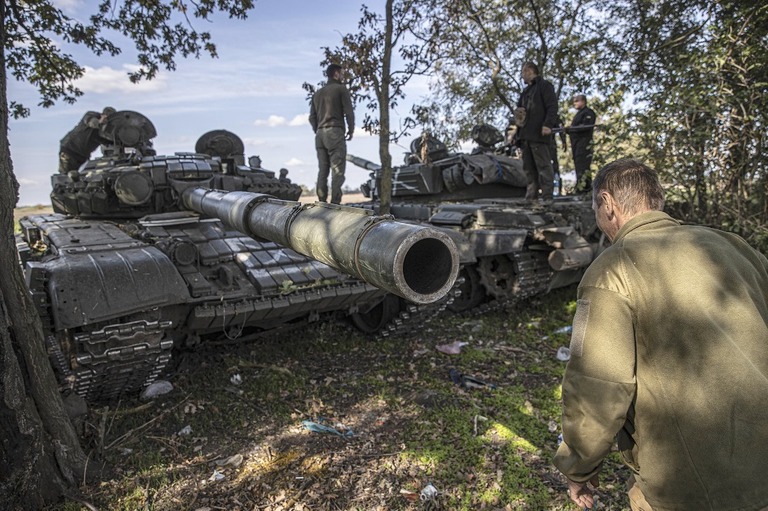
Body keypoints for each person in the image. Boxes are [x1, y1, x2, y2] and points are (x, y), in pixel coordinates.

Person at [553, 158, 768, 511]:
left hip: (696, 486)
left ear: (607, 204)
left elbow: (599, 382)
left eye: (595, 208)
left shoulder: (612, 269)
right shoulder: (735, 247)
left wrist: (578, 467)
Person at [309, 63, 355, 204]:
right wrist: (351, 129)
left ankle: (321, 201)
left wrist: (318, 129)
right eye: (341, 73)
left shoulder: (317, 94)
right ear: (336, 73)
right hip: (334, 131)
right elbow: (349, 112)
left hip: (320, 135)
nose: (343, 76)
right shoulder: (341, 89)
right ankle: (335, 203)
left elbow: (312, 117)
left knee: (323, 170)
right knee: (337, 169)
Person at [515, 62, 558, 202]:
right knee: (528, 167)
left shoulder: (544, 86)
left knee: (543, 166)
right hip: (526, 135)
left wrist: (548, 124)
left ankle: (547, 196)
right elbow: (519, 114)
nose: (522, 75)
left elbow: (552, 106)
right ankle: (531, 196)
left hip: (539, 134)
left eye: (523, 72)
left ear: (529, 71)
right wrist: (517, 135)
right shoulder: (525, 92)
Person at [58, 107, 116, 173]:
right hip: (70, 150)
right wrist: (100, 122)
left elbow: (109, 142)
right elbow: (91, 122)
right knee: (67, 176)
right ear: (102, 115)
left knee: (80, 177)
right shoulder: (91, 115)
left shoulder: (104, 132)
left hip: (82, 156)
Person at [567, 94, 596, 193]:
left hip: (584, 144)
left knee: (583, 166)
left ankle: (585, 188)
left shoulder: (588, 113)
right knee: (578, 166)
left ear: (583, 101)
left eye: (577, 101)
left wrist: (573, 129)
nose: (574, 103)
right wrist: (568, 130)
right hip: (576, 145)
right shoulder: (578, 114)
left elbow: (586, 126)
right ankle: (581, 187)